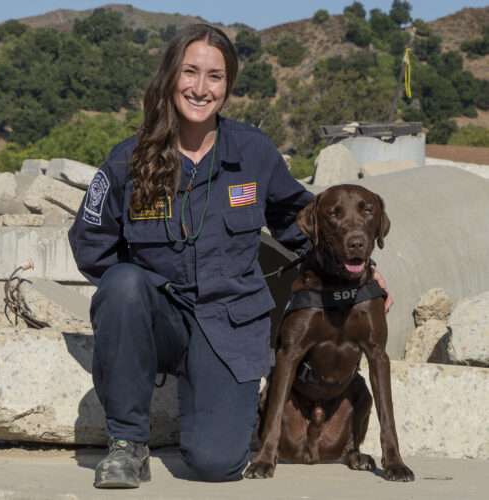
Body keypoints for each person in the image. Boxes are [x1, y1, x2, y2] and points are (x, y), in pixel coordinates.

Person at [68, 23, 392, 488]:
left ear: (228, 85)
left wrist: (361, 275)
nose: (201, 88)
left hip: (228, 324)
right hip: (160, 314)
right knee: (122, 286)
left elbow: (305, 222)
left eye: (215, 77)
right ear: (169, 77)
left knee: (217, 464)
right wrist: (135, 301)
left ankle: (207, 393)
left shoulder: (254, 154)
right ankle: (126, 443)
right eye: (190, 72)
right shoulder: (129, 160)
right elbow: (91, 242)